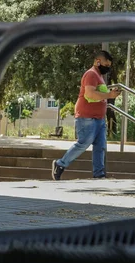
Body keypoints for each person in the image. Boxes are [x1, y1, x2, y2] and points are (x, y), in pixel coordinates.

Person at [52, 50, 121, 180]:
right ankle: (60, 164)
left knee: (100, 147)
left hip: (99, 118)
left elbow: (99, 94)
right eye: (106, 65)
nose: (107, 68)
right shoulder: (91, 74)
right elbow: (89, 94)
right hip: (86, 117)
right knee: (83, 143)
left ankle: (99, 174)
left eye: (109, 66)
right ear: (98, 61)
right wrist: (109, 95)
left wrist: (111, 94)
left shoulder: (99, 76)